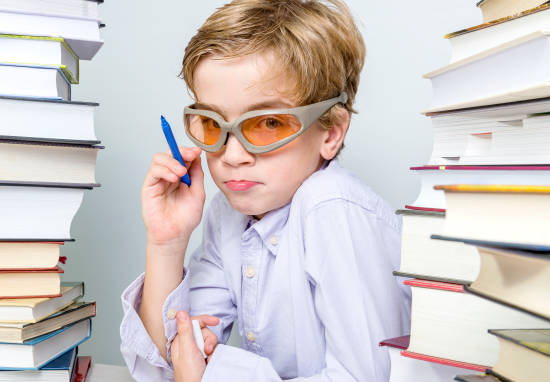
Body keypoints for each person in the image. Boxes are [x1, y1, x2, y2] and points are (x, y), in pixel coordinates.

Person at [119, 0, 411, 380]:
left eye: (269, 123)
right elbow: (164, 365)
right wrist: (166, 242)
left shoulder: (331, 207)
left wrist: (216, 374)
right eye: (211, 124)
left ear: (331, 132)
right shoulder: (229, 214)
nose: (232, 154)